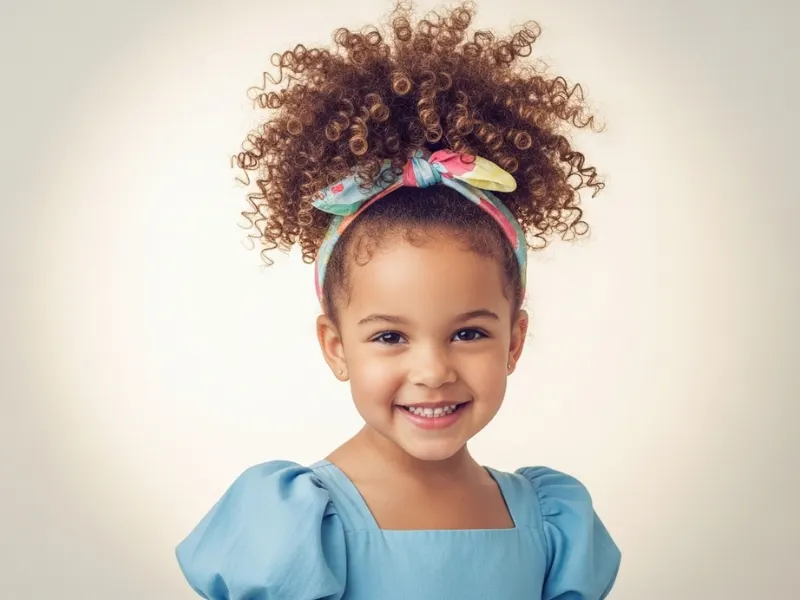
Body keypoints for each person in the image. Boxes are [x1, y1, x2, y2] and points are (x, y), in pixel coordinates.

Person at [176, 2, 621, 598]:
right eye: (390, 336)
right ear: (336, 348)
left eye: (468, 333)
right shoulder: (296, 530)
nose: (433, 372)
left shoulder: (552, 523)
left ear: (514, 341)